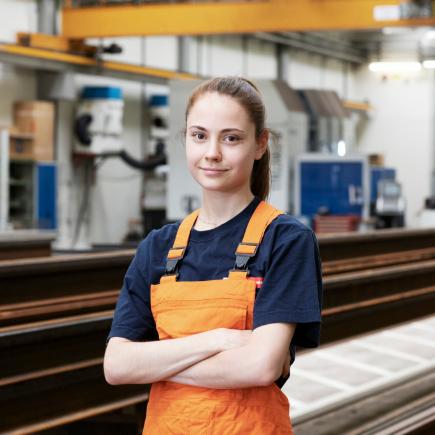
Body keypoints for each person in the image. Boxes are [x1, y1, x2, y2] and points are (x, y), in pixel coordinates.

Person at [104, 76, 323, 434]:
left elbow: (260, 367)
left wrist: (158, 361)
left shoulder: (285, 240)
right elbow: (116, 366)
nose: (212, 153)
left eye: (231, 138)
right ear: (186, 139)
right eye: (199, 135)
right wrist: (218, 340)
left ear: (260, 143)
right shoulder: (158, 247)